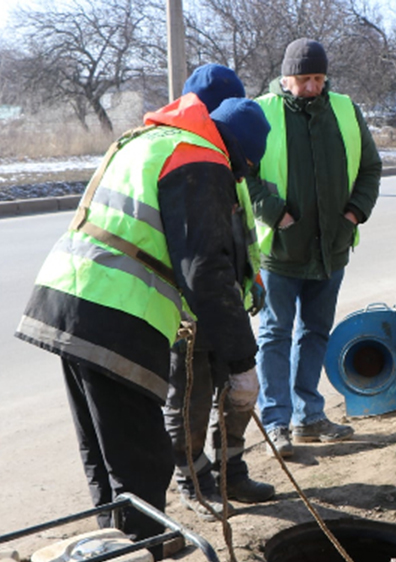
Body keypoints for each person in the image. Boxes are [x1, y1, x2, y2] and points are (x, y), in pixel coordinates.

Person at [16, 69, 266, 541]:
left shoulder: (150, 139)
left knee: (105, 456)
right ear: (238, 151)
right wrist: (242, 362)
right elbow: (206, 270)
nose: (237, 180)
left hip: (67, 298)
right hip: (116, 315)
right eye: (242, 170)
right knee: (143, 463)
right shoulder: (201, 157)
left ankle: (118, 561)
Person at [246, 38, 383, 458]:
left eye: (318, 79)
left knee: (316, 333)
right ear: (286, 78)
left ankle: (309, 416)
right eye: (304, 79)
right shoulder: (262, 112)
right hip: (282, 250)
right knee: (274, 335)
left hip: (331, 248)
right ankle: (276, 424)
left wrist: (353, 215)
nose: (312, 87)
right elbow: (242, 172)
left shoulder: (344, 109)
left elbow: (371, 167)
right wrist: (272, 211)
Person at [164, 68, 277, 518]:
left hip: (226, 298)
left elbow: (238, 229)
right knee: (190, 395)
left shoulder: (224, 152)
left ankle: (232, 470)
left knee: (237, 389)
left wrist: (252, 280)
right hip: (189, 307)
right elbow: (194, 254)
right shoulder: (189, 155)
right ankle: (193, 479)